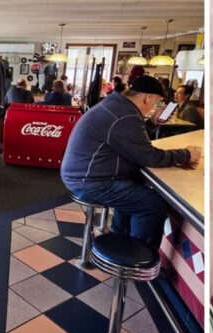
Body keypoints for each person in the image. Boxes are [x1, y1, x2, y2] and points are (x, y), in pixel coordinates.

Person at [61, 75, 200, 249]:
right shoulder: (125, 115)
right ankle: (139, 258)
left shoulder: (118, 105)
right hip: (89, 181)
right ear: (147, 98)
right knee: (152, 205)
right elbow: (149, 157)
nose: (155, 107)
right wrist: (186, 154)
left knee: (132, 189)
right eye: (157, 102)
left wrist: (152, 123)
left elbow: (130, 142)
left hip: (84, 175)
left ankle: (120, 238)